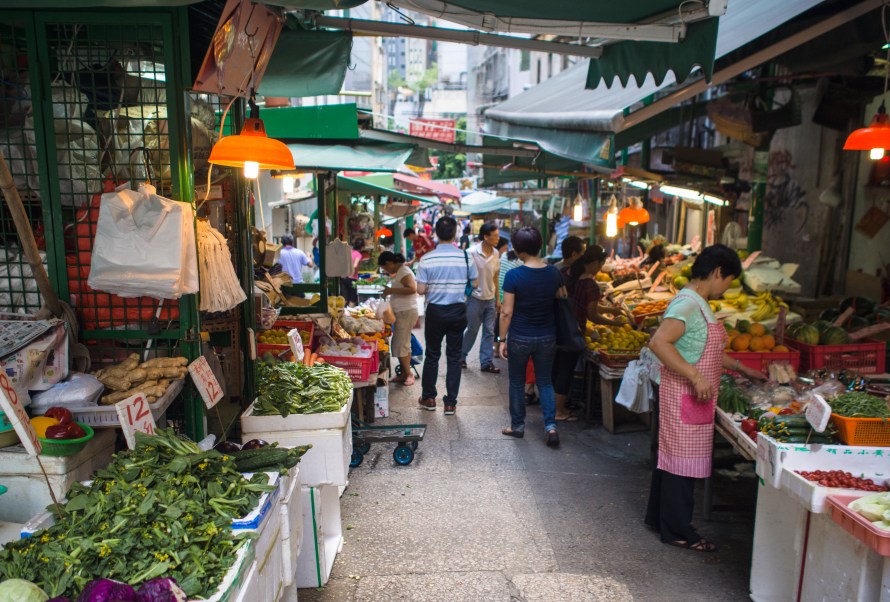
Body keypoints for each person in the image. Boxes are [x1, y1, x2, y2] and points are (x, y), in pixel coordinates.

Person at [645, 244, 764, 552]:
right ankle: (678, 531)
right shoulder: (687, 304)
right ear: (716, 273)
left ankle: (659, 518)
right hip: (682, 393)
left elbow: (700, 347)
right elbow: (659, 342)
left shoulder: (699, 303)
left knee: (673, 460)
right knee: (680, 465)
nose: (727, 288)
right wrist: (696, 376)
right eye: (728, 281)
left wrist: (741, 368)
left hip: (692, 397)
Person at [498, 227, 565, 447]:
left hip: (520, 336)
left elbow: (506, 312)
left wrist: (501, 340)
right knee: (545, 382)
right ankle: (551, 426)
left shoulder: (514, 275)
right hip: (547, 336)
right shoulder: (554, 273)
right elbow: (562, 297)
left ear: (518, 250)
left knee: (517, 382)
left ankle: (517, 426)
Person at [415, 216, 478, 415]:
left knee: (432, 355)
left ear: (435, 233)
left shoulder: (427, 259)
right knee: (453, 356)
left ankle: (429, 397)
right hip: (458, 311)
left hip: (435, 311)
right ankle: (450, 403)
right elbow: (475, 284)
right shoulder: (466, 257)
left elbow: (420, 290)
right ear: (454, 234)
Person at [460, 222, 501, 373]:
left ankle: (486, 362)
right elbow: (464, 275)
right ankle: (461, 356)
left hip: (490, 299)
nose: (498, 238)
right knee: (472, 329)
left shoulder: (496, 253)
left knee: (489, 331)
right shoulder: (471, 252)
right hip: (475, 298)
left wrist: (498, 298)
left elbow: (495, 277)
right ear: (485, 236)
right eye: (495, 236)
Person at [379, 251, 418, 386]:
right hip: (401, 312)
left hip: (406, 312)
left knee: (401, 344)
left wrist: (391, 291)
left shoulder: (404, 271)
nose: (385, 270)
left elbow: (413, 289)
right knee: (401, 343)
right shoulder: (401, 271)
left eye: (385, 267)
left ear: (390, 263)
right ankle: (403, 373)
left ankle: (409, 375)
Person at [340, 238, 364, 306]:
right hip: (352, 279)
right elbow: (355, 265)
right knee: (352, 299)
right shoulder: (358, 255)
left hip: (344, 278)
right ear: (362, 247)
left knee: (345, 298)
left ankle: (341, 314)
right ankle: (349, 315)